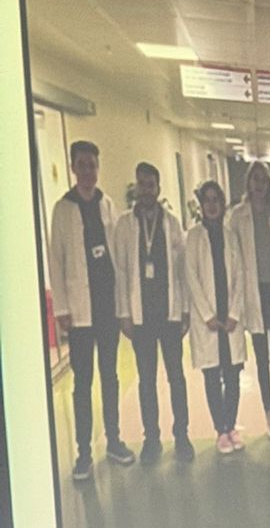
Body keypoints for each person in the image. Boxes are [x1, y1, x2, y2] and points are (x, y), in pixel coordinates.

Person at [48, 139, 134, 481]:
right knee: (82, 383)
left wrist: (123, 305)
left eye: (92, 165)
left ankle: (114, 441)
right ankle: (83, 453)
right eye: (82, 165)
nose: (88, 171)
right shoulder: (63, 209)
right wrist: (61, 308)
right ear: (73, 167)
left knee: (110, 378)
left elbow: (117, 256)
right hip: (80, 313)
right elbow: (56, 260)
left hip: (107, 307)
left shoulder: (107, 204)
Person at [112, 161, 192, 464]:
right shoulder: (124, 225)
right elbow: (120, 271)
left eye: (151, 185)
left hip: (169, 314)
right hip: (140, 316)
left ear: (158, 188)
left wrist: (185, 310)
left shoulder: (171, 222)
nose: (146, 190)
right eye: (141, 184)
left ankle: (181, 436)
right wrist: (124, 313)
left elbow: (182, 271)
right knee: (146, 380)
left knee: (176, 378)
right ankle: (152, 439)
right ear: (136, 187)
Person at [229, 161, 270, 442]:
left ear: (269, 185)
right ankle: (268, 413)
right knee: (262, 359)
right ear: (249, 183)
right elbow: (232, 259)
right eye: (255, 180)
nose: (259, 185)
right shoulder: (237, 217)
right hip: (253, 296)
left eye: (263, 180)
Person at [184, 180, 248, 454]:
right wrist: (207, 315)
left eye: (215, 200)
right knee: (212, 377)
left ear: (222, 204)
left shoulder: (230, 235)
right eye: (206, 200)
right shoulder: (193, 237)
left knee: (233, 376)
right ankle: (220, 430)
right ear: (201, 205)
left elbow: (240, 275)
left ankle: (231, 426)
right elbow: (191, 277)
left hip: (229, 317)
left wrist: (234, 313)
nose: (211, 205)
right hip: (208, 319)